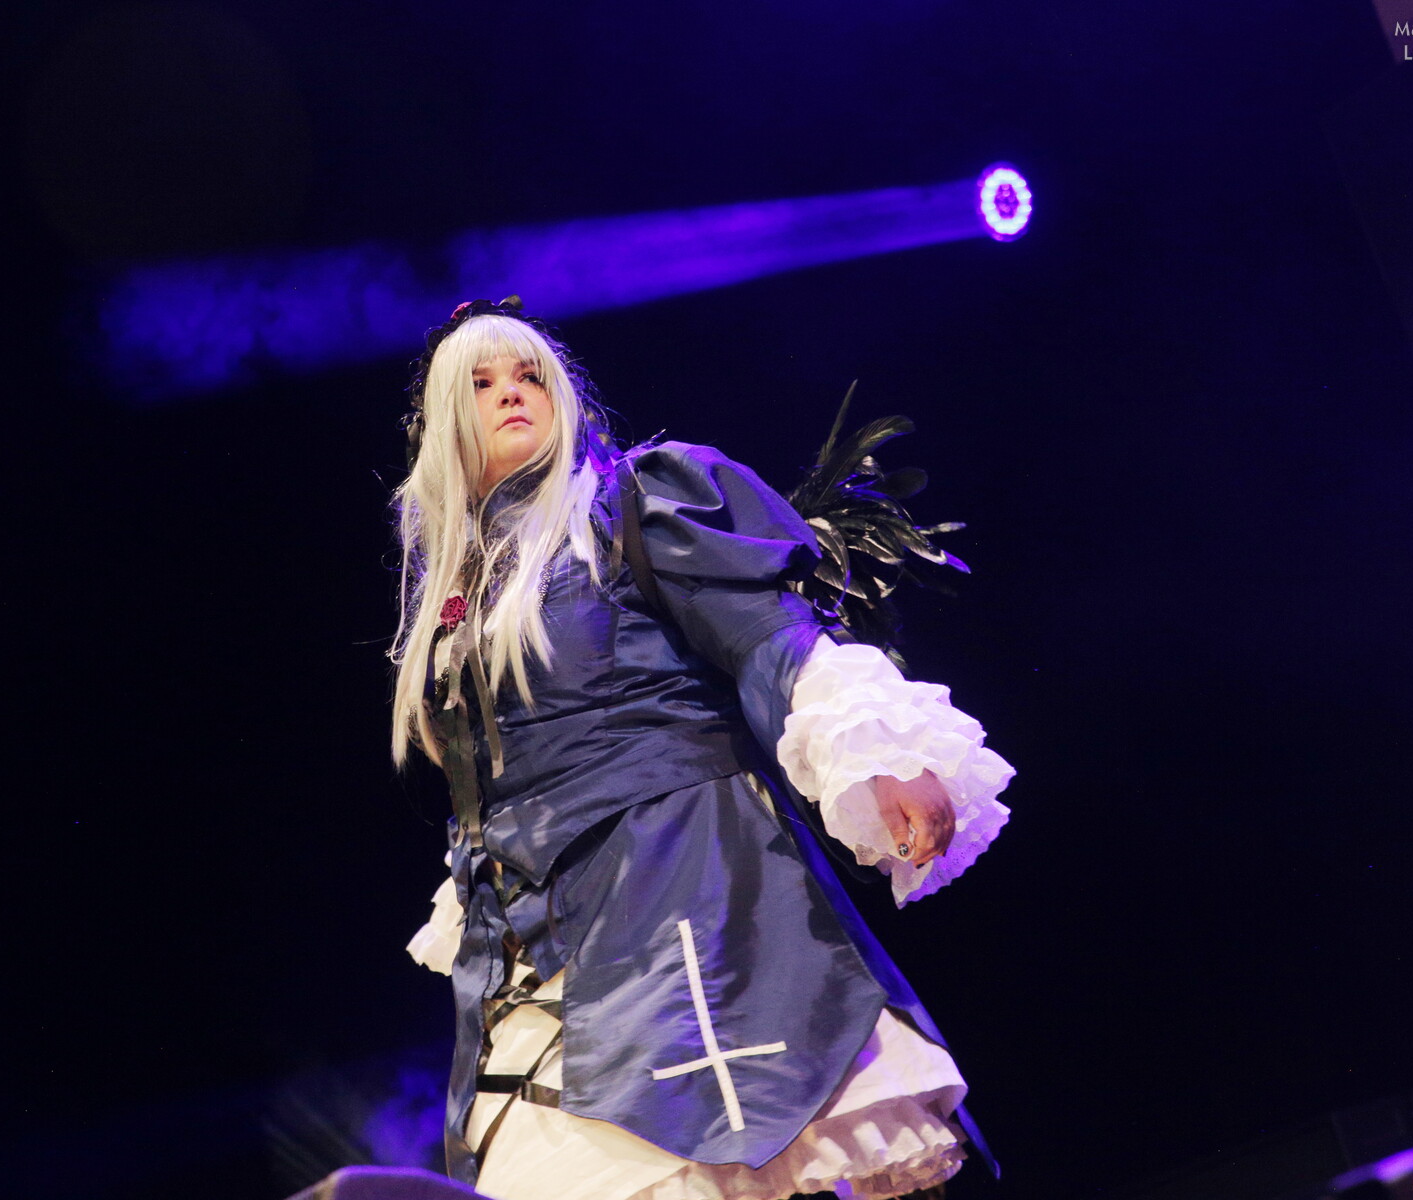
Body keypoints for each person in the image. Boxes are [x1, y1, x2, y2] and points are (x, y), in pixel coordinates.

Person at [391, 298, 1014, 1200]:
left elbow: (766, 636)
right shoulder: (460, 597)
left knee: (733, 1143)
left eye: (530, 376)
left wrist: (877, 753)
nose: (512, 394)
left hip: (688, 884)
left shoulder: (632, 504)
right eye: (482, 384)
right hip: (546, 934)